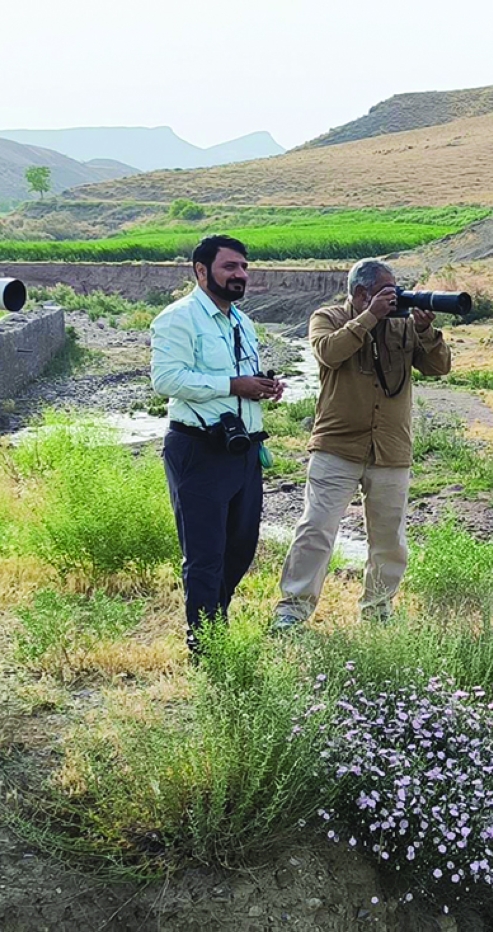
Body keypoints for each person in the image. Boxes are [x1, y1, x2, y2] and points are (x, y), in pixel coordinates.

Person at [274, 258, 452, 630]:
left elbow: (439, 368)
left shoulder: (402, 325)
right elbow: (328, 352)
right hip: (336, 445)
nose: (395, 298)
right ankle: (292, 610)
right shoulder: (328, 317)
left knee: (389, 539)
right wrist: (370, 317)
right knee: (316, 529)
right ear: (361, 293)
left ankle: (378, 609)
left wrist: (424, 331)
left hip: (390, 448)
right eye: (387, 291)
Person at [151, 234, 284, 656]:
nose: (240, 275)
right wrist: (232, 385)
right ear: (201, 271)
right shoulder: (178, 318)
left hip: (242, 450)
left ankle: (214, 621)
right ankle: (206, 646)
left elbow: (242, 379)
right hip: (198, 449)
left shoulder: (242, 321)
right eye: (230, 267)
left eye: (244, 267)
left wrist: (263, 385)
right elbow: (166, 380)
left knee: (241, 547)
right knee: (205, 554)